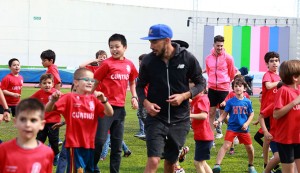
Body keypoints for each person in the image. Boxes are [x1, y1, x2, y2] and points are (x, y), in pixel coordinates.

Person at [137, 24, 205, 173]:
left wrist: (185, 95)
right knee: (154, 160)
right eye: (150, 41)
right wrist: (146, 103)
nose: (151, 46)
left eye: (154, 41)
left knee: (170, 162)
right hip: (156, 118)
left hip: (180, 119)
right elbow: (140, 86)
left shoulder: (187, 58)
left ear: (167, 40)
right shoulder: (149, 61)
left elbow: (201, 83)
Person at [45, 68, 113, 172]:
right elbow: (48, 109)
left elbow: (110, 113)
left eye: (92, 80)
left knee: (89, 170)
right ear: (76, 82)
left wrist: (104, 100)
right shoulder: (69, 98)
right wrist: (52, 101)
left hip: (90, 144)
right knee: (77, 170)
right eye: (86, 79)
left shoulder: (94, 100)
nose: (90, 82)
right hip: (74, 144)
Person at [93, 33, 139, 173]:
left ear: (124, 47)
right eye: (111, 47)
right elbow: (94, 81)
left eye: (117, 46)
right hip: (105, 108)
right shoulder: (106, 63)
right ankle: (91, 168)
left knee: (117, 145)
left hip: (120, 110)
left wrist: (134, 97)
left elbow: (132, 81)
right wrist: (92, 95)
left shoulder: (129, 64)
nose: (114, 49)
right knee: (99, 141)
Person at [212, 77, 257, 173]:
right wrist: (218, 121)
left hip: (244, 129)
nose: (238, 88)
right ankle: (217, 165)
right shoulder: (230, 101)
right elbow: (224, 114)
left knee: (249, 147)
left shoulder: (248, 102)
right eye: (235, 86)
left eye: (240, 86)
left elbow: (251, 114)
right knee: (226, 146)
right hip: (232, 128)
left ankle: (251, 165)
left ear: (244, 88)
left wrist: (246, 123)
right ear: (233, 89)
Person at [0, 98, 54, 172]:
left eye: (33, 120)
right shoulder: (3, 150)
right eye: (23, 119)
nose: (27, 124)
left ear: (42, 124)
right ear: (15, 122)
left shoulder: (47, 153)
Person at [205, 35, 236, 139]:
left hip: (224, 89)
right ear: (213, 44)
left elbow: (231, 73)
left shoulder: (228, 58)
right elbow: (209, 72)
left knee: (224, 115)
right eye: (218, 45)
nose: (219, 48)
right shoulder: (208, 58)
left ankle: (234, 133)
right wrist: (212, 83)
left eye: (221, 46)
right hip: (212, 88)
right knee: (211, 113)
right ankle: (211, 139)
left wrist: (225, 83)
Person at [273, 60, 300, 173]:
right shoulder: (283, 91)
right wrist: (294, 102)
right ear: (295, 77)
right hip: (286, 140)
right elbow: (276, 114)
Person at [30, 73, 61, 166]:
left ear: (52, 84)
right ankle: (38, 155)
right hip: (42, 121)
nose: (47, 85)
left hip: (54, 121)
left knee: (53, 140)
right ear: (40, 85)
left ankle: (56, 155)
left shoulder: (57, 93)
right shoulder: (39, 93)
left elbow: (65, 102)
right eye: (44, 83)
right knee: (40, 139)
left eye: (49, 83)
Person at [258, 51, 281, 169]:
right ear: (267, 63)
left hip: (277, 110)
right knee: (268, 138)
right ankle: (266, 164)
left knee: (272, 137)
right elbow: (268, 86)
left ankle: (269, 162)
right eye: (271, 61)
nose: (274, 63)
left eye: (276, 60)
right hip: (268, 111)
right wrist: (280, 83)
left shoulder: (279, 76)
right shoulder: (267, 75)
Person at [190, 81, 214, 173]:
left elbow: (204, 115)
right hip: (201, 136)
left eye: (193, 90)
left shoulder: (202, 99)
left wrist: (189, 115)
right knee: (202, 163)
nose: (191, 92)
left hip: (204, 137)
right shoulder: (197, 99)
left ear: (202, 90)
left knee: (197, 163)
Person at [135, 53, 147, 139]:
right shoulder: (140, 71)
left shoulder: (148, 70)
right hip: (141, 97)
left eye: (141, 60)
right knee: (140, 114)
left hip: (146, 98)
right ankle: (145, 131)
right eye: (139, 60)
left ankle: (146, 132)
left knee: (144, 115)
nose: (140, 62)